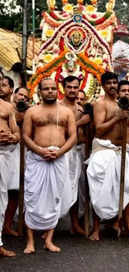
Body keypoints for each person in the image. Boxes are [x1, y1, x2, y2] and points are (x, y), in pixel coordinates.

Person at [86, 74, 129, 240]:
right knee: (99, 190)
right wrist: (116, 117)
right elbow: (99, 130)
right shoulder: (100, 104)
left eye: (114, 83)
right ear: (103, 86)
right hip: (103, 150)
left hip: (120, 151)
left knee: (127, 186)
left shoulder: (122, 103)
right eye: (109, 83)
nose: (112, 86)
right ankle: (96, 229)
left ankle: (127, 226)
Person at [23, 78, 77, 253]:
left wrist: (60, 152)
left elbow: (73, 137)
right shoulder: (32, 112)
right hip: (37, 158)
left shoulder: (67, 112)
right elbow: (26, 136)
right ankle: (30, 242)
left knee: (55, 197)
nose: (50, 91)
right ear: (40, 92)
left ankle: (49, 240)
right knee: (32, 197)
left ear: (57, 90)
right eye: (46, 89)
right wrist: (40, 151)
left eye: (53, 88)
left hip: (58, 158)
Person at [59, 76, 89, 236]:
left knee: (76, 188)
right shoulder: (57, 107)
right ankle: (49, 225)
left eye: (75, 87)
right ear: (63, 88)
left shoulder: (81, 109)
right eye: (69, 87)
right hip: (61, 152)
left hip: (77, 151)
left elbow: (86, 134)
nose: (72, 90)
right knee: (59, 187)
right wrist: (78, 123)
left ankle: (75, 223)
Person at [2, 87, 30, 237]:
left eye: (26, 97)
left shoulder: (28, 111)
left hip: (19, 154)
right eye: (20, 95)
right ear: (14, 94)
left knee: (14, 190)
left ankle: (7, 224)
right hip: (5, 151)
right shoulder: (7, 108)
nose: (22, 98)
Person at [0, 81, 19, 257]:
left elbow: (17, 133)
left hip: (3, 155)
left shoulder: (7, 107)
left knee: (1, 200)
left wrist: (12, 137)